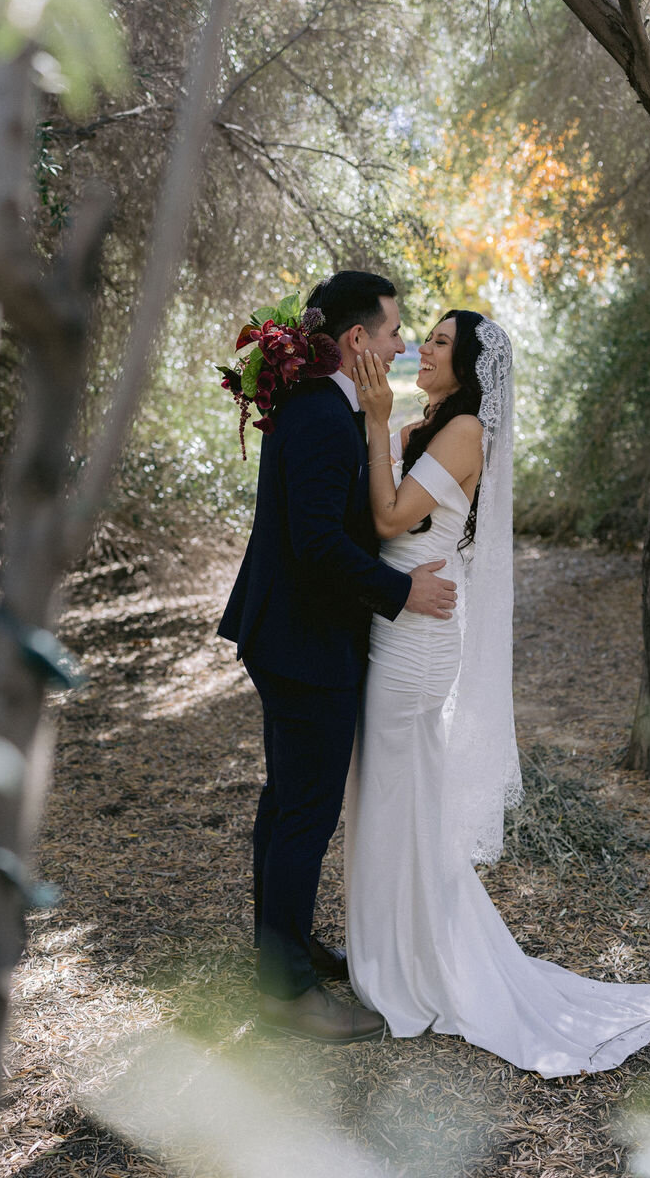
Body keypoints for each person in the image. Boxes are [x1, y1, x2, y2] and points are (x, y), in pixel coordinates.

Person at [345, 310, 650, 1076]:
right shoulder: (435, 424)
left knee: (394, 797)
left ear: (474, 369)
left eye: (441, 341)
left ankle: (407, 970)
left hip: (416, 644)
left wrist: (373, 423)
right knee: (394, 798)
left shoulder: (462, 435)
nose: (423, 345)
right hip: (403, 628)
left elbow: (389, 516)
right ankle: (397, 951)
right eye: (423, 334)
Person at [217, 271, 458, 1045]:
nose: (400, 343)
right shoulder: (324, 416)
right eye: (393, 331)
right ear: (357, 339)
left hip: (289, 633)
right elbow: (317, 542)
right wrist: (400, 592)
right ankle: (285, 993)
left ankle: (281, 952)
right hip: (304, 641)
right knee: (304, 816)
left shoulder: (326, 407)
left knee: (286, 805)